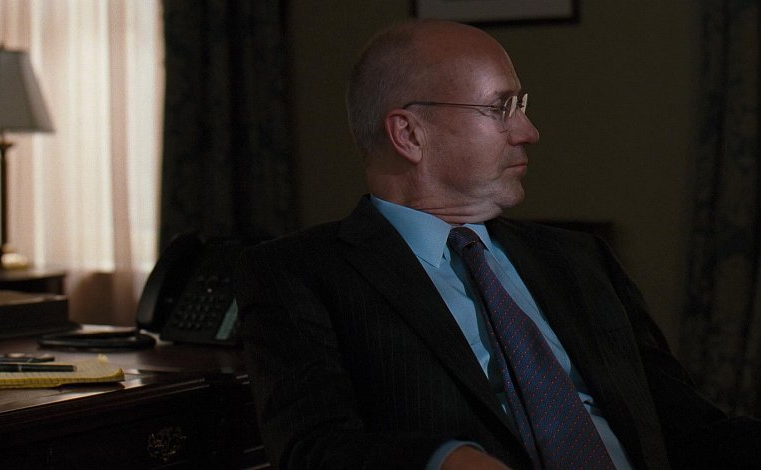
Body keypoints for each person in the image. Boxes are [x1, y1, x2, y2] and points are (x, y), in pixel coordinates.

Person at [235, 19, 761, 469]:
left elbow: (690, 427)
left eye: (521, 106)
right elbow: (314, 449)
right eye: (502, 107)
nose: (529, 131)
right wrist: (445, 462)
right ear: (410, 135)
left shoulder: (579, 259)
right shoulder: (298, 273)